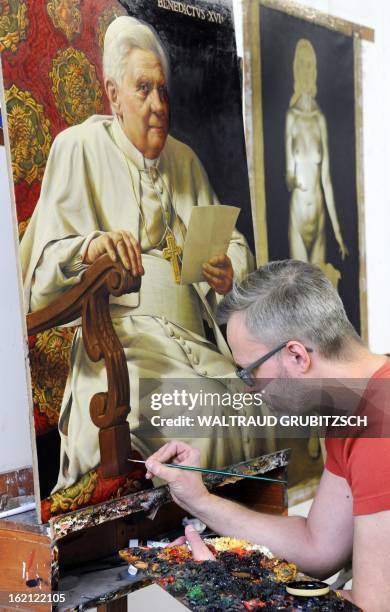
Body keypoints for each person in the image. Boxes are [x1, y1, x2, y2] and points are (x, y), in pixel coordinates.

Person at [20, 16, 262, 492]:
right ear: (113, 96)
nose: (158, 105)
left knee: (262, 412)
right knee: (208, 423)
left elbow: (228, 238)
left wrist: (227, 268)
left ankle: (233, 555)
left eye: (163, 91)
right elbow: (38, 275)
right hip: (126, 349)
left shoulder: (185, 159)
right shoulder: (79, 148)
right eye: (143, 89)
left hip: (195, 343)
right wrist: (90, 247)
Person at [145, 260, 390, 611]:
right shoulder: (355, 405)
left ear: (296, 355)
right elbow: (317, 545)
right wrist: (199, 499)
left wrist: (225, 586)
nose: (249, 391)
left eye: (250, 372)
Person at [286, 39, 348, 268]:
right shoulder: (291, 118)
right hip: (298, 214)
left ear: (314, 70)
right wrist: (292, 178)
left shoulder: (320, 120)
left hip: (319, 216)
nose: (305, 69)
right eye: (301, 64)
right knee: (299, 294)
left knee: (320, 296)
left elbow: (327, 181)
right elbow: (287, 176)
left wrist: (338, 233)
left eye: (309, 64)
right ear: (295, 68)